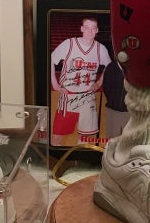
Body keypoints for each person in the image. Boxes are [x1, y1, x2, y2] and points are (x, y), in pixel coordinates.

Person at [50, 17, 110, 145]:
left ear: (97, 30)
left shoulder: (101, 49)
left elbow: (109, 67)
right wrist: (55, 84)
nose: (90, 31)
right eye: (87, 28)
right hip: (68, 97)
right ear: (82, 29)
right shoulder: (69, 44)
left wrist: (99, 82)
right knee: (56, 138)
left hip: (88, 98)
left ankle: (80, 162)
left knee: (84, 140)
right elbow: (50, 60)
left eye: (93, 28)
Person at [101, 57, 129, 139]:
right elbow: (106, 87)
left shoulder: (136, 67)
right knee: (112, 142)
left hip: (130, 113)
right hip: (112, 111)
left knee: (128, 142)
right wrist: (112, 101)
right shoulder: (111, 67)